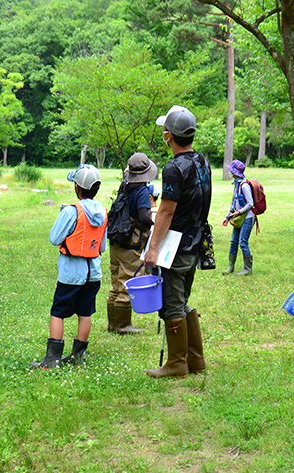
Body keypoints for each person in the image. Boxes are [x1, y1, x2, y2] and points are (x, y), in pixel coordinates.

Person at [144, 105, 210, 378]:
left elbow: (167, 211)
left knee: (172, 302)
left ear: (168, 136)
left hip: (176, 248)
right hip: (196, 244)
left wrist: (153, 249)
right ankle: (195, 360)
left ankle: (176, 364)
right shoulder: (202, 161)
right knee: (182, 300)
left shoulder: (173, 168)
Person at [31, 164, 108, 368]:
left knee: (58, 312)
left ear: (78, 188)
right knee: (85, 312)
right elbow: (103, 246)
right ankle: (77, 356)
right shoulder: (103, 211)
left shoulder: (72, 211)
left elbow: (55, 238)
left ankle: (52, 359)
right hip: (94, 273)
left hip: (71, 273)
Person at [106, 152, 158, 334]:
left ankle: (112, 324)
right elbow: (144, 216)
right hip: (131, 244)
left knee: (115, 283)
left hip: (116, 241)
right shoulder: (142, 190)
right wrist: (156, 225)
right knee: (127, 282)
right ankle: (123, 326)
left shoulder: (125, 185)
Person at [221, 160, 255, 276]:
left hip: (247, 218)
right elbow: (233, 204)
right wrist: (227, 217)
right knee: (233, 242)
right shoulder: (237, 184)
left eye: (231, 170)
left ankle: (247, 268)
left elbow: (250, 203)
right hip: (238, 218)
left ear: (235, 172)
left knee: (243, 242)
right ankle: (231, 266)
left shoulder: (244, 186)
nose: (230, 172)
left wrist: (238, 213)